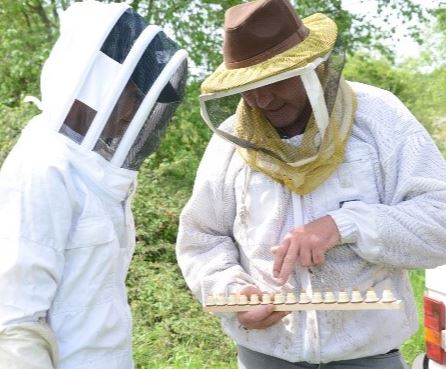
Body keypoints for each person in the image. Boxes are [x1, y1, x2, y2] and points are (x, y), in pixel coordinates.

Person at [176, 0, 446, 368]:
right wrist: (233, 293)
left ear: (313, 67)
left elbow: (440, 221)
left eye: (273, 79)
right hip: (263, 356)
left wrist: (343, 225)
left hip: (368, 358)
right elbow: (202, 236)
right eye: (248, 86)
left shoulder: (380, 117)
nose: (261, 98)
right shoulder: (229, 141)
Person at [0, 2, 187, 369]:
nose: (136, 111)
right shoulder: (44, 167)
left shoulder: (95, 171)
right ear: (99, 83)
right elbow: (14, 324)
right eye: (133, 93)